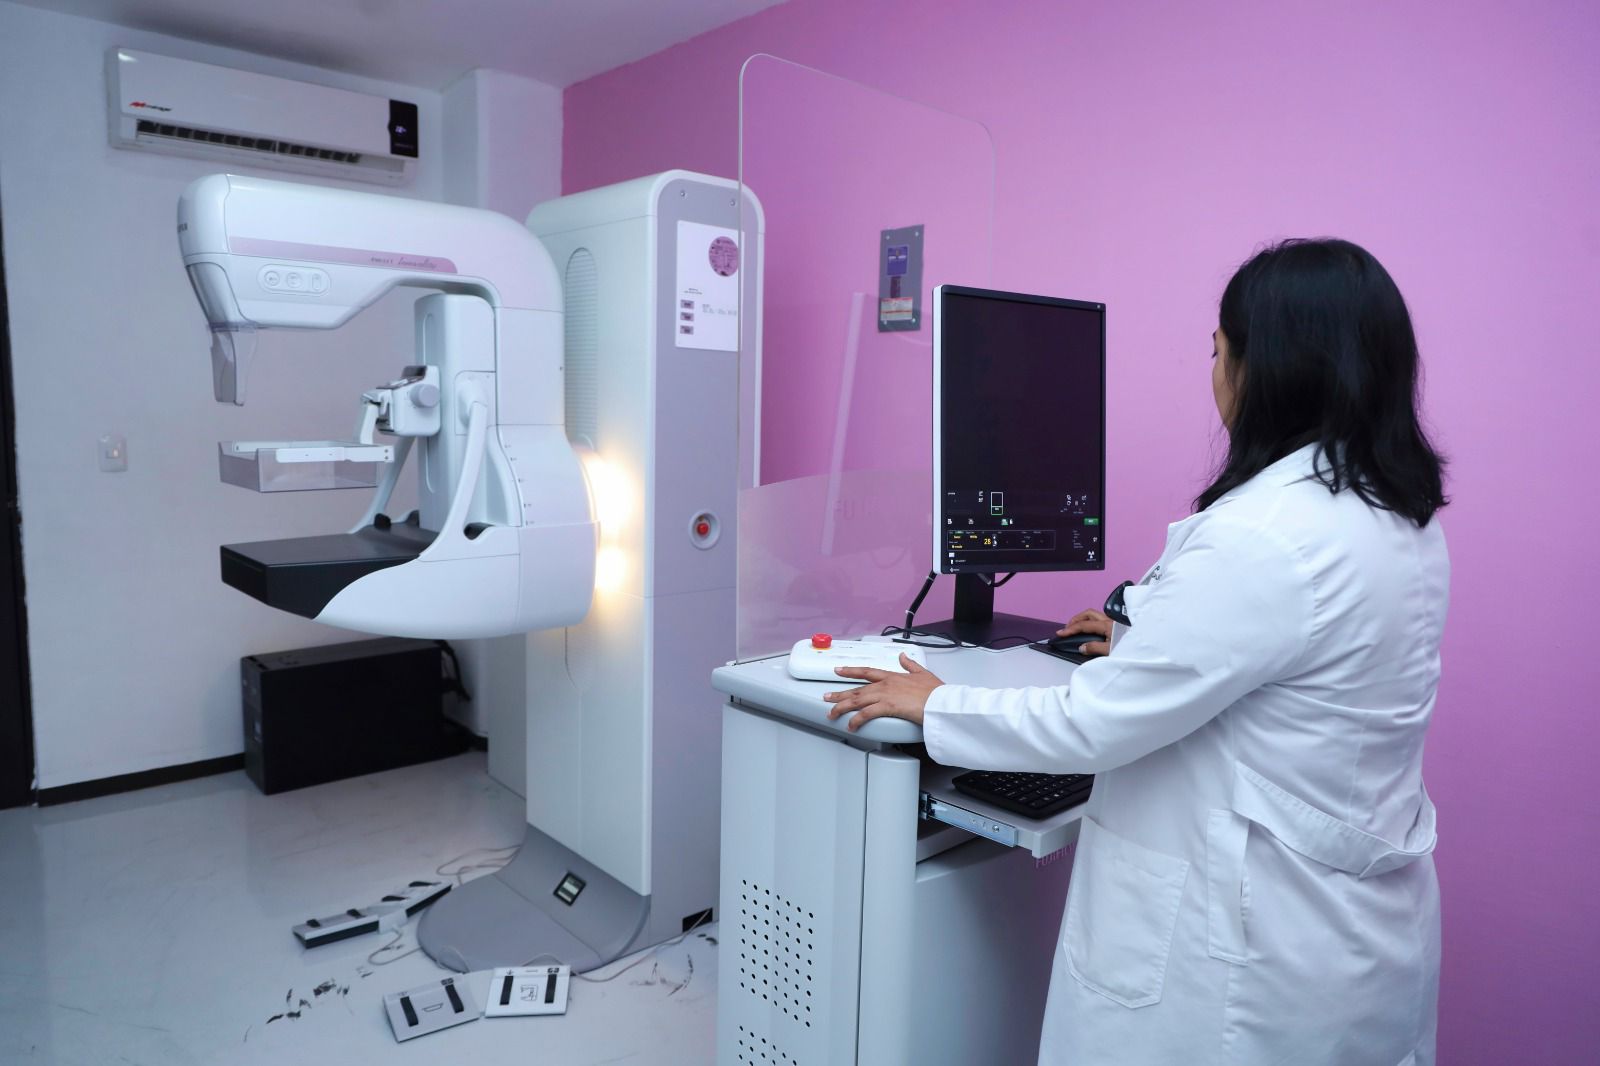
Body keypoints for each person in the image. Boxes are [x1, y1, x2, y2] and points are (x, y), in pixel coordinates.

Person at [823, 238, 1449, 1066]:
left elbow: (1097, 723)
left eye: (1218, 351)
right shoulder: (1396, 515)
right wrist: (1147, 641)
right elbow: (1299, 664)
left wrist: (937, 703)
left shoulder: (1266, 538)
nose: (1214, 374)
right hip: (1353, 937)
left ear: (1269, 370)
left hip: (1250, 956)